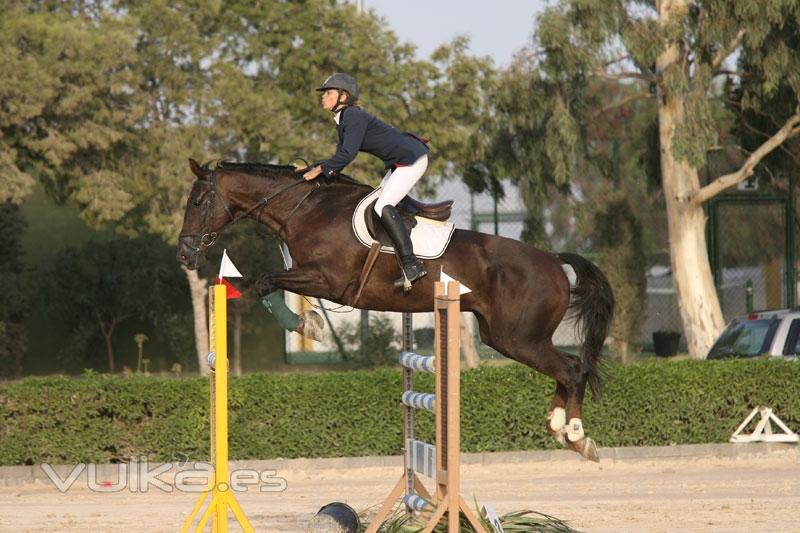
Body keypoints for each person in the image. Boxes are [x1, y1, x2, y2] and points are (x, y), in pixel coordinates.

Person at [301, 73, 429, 288]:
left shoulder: (352, 116)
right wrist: (315, 166)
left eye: (329, 93)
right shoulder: (344, 119)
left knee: (383, 206)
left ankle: (412, 265)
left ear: (344, 96)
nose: (323, 97)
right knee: (377, 202)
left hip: (411, 160)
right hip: (401, 162)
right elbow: (340, 154)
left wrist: (321, 169)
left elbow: (348, 155)